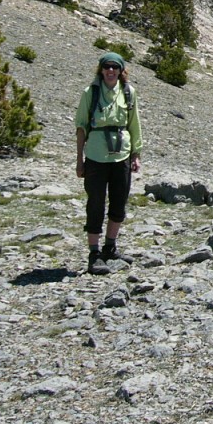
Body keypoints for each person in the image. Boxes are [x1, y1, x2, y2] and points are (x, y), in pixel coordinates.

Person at [75, 52, 142, 275]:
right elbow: (82, 127)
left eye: (115, 67)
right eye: (107, 67)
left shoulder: (128, 93)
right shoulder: (90, 93)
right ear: (101, 70)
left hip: (121, 155)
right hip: (95, 155)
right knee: (95, 203)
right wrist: (79, 160)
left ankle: (110, 247)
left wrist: (136, 153)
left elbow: (134, 124)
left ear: (121, 70)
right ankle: (94, 253)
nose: (111, 71)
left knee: (119, 202)